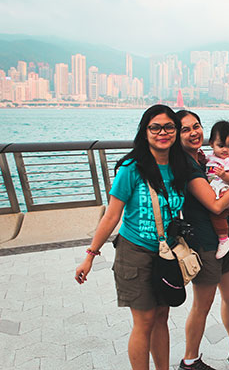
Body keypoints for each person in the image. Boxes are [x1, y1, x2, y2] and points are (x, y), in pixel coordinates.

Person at [75, 105, 189, 370]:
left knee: (162, 316)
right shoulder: (132, 168)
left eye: (169, 127)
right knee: (145, 321)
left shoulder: (180, 165)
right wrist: (90, 256)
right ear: (145, 131)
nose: (163, 132)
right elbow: (112, 215)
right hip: (135, 252)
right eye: (155, 127)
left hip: (167, 253)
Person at [177, 110, 229, 370]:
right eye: (186, 129)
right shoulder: (188, 168)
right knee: (202, 304)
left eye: (196, 126)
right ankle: (190, 360)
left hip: (218, 240)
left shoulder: (200, 159)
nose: (193, 132)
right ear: (177, 136)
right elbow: (215, 204)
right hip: (204, 243)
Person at [205, 120, 229, 259]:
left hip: (223, 189)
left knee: (218, 214)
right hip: (213, 188)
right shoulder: (210, 158)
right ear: (211, 144)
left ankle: (223, 238)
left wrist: (224, 175)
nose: (225, 150)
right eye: (221, 146)